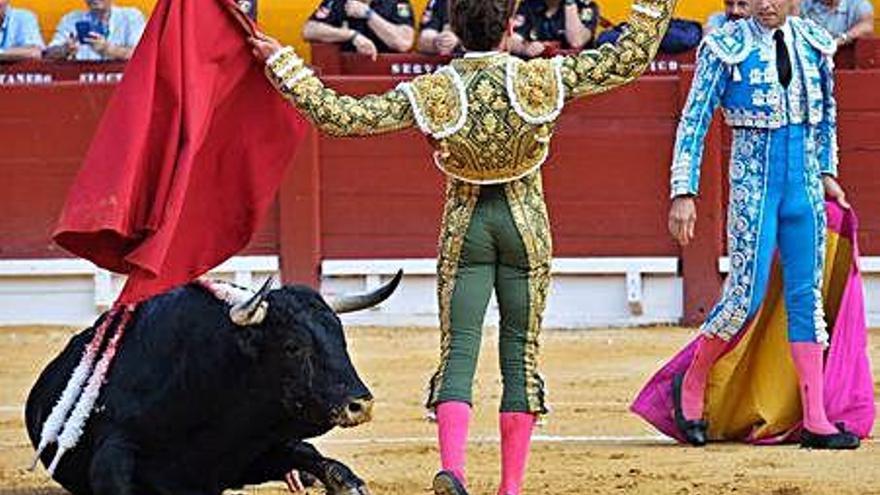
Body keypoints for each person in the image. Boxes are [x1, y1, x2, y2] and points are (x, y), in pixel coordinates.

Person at [249, 0, 677, 492]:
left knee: (458, 352)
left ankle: (453, 469)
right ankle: (510, 488)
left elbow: (344, 116)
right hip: (525, 223)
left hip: (466, 222)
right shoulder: (540, 79)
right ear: (510, 25)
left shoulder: (436, 89)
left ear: (453, 27)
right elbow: (630, 57)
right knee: (521, 355)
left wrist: (282, 64)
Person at [665, 0, 860, 449]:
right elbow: (693, 121)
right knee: (744, 299)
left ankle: (816, 418)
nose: (765, 4)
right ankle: (691, 383)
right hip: (755, 189)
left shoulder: (815, 43)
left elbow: (827, 116)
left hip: (805, 188)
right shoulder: (724, 47)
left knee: (806, 300)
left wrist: (828, 173)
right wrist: (683, 190)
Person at [302, 0, 416, 60]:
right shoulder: (338, 1)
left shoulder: (396, 2)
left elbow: (404, 43)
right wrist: (351, 35)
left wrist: (368, 14)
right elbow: (309, 30)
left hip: (387, 75)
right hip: (347, 74)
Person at [44, 0, 145, 61]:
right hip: (84, 87)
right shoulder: (70, 19)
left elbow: (142, 55)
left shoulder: (132, 17)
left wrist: (108, 49)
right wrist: (65, 49)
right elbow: (47, 53)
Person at [510, 0, 600, 58]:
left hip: (574, 74)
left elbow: (576, 41)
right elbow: (512, 41)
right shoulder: (528, 5)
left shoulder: (586, 6)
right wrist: (524, 49)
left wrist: (570, 3)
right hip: (537, 70)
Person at [801, 0, 874, 46]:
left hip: (846, 60)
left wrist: (841, 40)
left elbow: (867, 26)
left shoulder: (858, 3)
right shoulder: (807, 3)